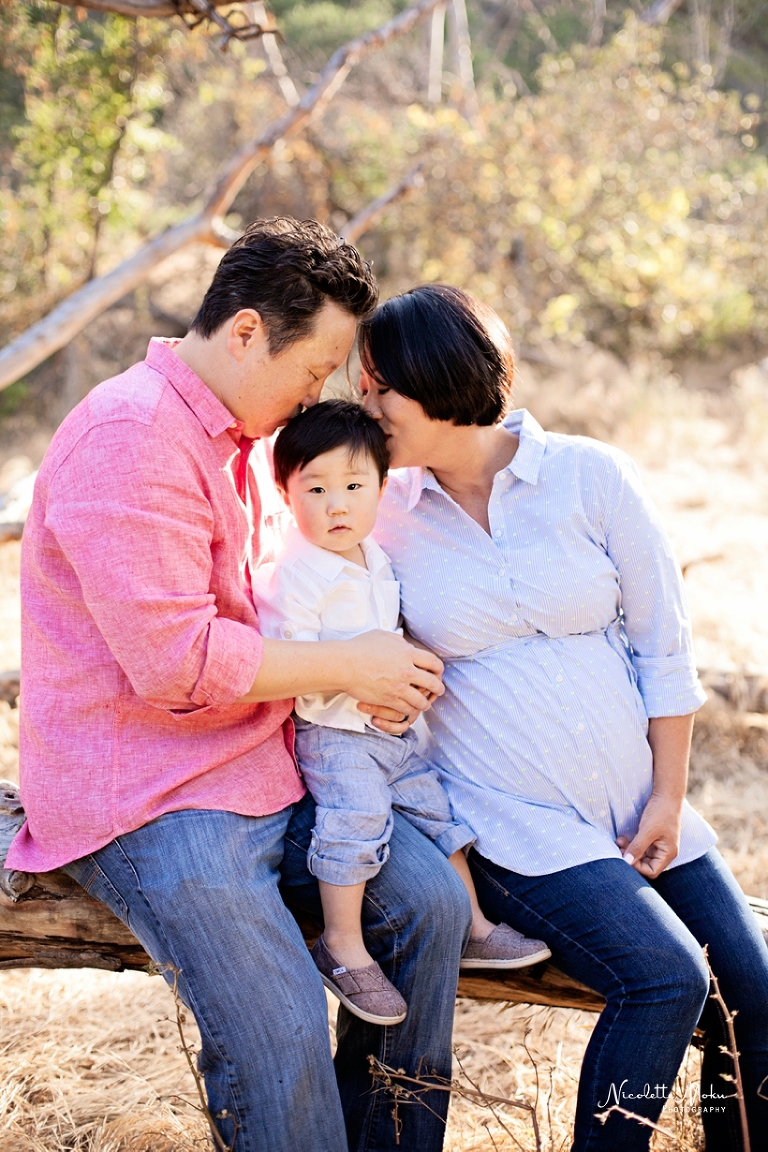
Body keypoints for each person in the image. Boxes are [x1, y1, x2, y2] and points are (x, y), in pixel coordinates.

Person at [6, 221, 474, 1152]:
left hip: (265, 759)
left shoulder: (247, 438)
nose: (319, 394)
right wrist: (352, 664)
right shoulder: (131, 435)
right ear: (249, 332)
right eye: (316, 368)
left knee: (431, 908)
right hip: (154, 792)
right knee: (279, 1031)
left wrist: (373, 674)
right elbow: (176, 662)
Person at [357, 282, 768, 1152]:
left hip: (640, 804)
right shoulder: (381, 517)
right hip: (516, 828)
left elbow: (664, 646)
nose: (368, 407)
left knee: (757, 992)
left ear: (438, 379)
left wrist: (668, 798)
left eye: (381, 387)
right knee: (665, 977)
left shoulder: (590, 476)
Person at [253, 399, 551, 1025]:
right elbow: (290, 664)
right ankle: (342, 945)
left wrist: (415, 677)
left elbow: (392, 636)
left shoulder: (375, 554)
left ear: (382, 488)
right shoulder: (295, 574)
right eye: (316, 488)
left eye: (354, 486)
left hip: (393, 732)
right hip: (336, 732)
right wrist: (357, 680)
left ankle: (474, 926)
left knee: (437, 811)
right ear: (285, 494)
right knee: (354, 819)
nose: (337, 505)